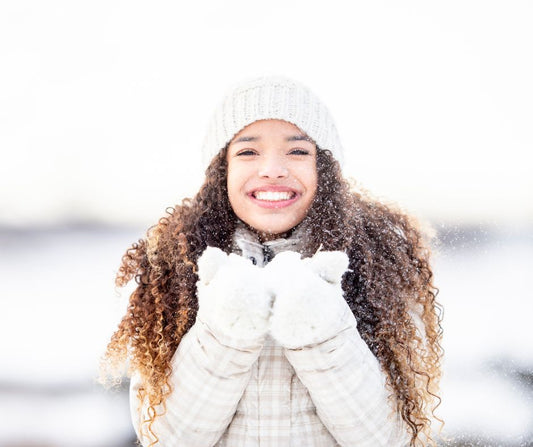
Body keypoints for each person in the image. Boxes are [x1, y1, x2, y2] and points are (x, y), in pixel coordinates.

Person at [102, 76, 443, 447]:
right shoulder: (179, 266)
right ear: (222, 171)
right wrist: (227, 327)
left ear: (324, 169)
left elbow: (394, 438)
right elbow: (166, 438)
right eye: (248, 152)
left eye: (297, 152)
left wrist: (320, 327)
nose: (273, 169)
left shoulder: (376, 263)